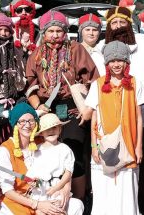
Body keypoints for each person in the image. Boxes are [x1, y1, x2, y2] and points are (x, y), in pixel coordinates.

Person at [0, 103, 85, 215]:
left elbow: (65, 166)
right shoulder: (4, 151)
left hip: (43, 195)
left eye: (31, 121)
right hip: (16, 203)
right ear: (15, 124)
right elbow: (8, 191)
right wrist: (38, 204)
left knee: (76, 205)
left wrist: (66, 187)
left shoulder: (42, 142)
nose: (27, 125)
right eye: (22, 121)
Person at [25, 10, 97, 201]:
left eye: (59, 31)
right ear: (44, 32)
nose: (55, 35)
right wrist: (38, 105)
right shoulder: (37, 54)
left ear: (65, 31)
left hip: (73, 108)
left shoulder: (75, 49)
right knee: (49, 154)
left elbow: (91, 80)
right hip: (47, 109)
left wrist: (88, 108)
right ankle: (54, 197)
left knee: (74, 154)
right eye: (51, 31)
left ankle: (79, 202)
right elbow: (31, 85)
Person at [87, 41, 144, 215]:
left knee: (127, 181)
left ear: (126, 62)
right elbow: (94, 117)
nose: (116, 64)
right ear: (107, 63)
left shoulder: (134, 83)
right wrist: (94, 146)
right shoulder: (98, 84)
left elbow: (139, 117)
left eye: (120, 60)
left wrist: (139, 146)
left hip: (128, 140)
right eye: (112, 60)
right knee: (104, 182)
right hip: (105, 141)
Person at [27, 114, 77, 215]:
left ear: (60, 129)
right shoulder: (36, 150)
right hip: (41, 188)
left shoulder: (64, 149)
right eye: (47, 129)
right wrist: (33, 181)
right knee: (40, 212)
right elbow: (33, 171)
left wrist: (58, 187)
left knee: (58, 209)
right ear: (41, 133)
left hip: (56, 184)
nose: (51, 131)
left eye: (54, 128)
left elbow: (68, 172)